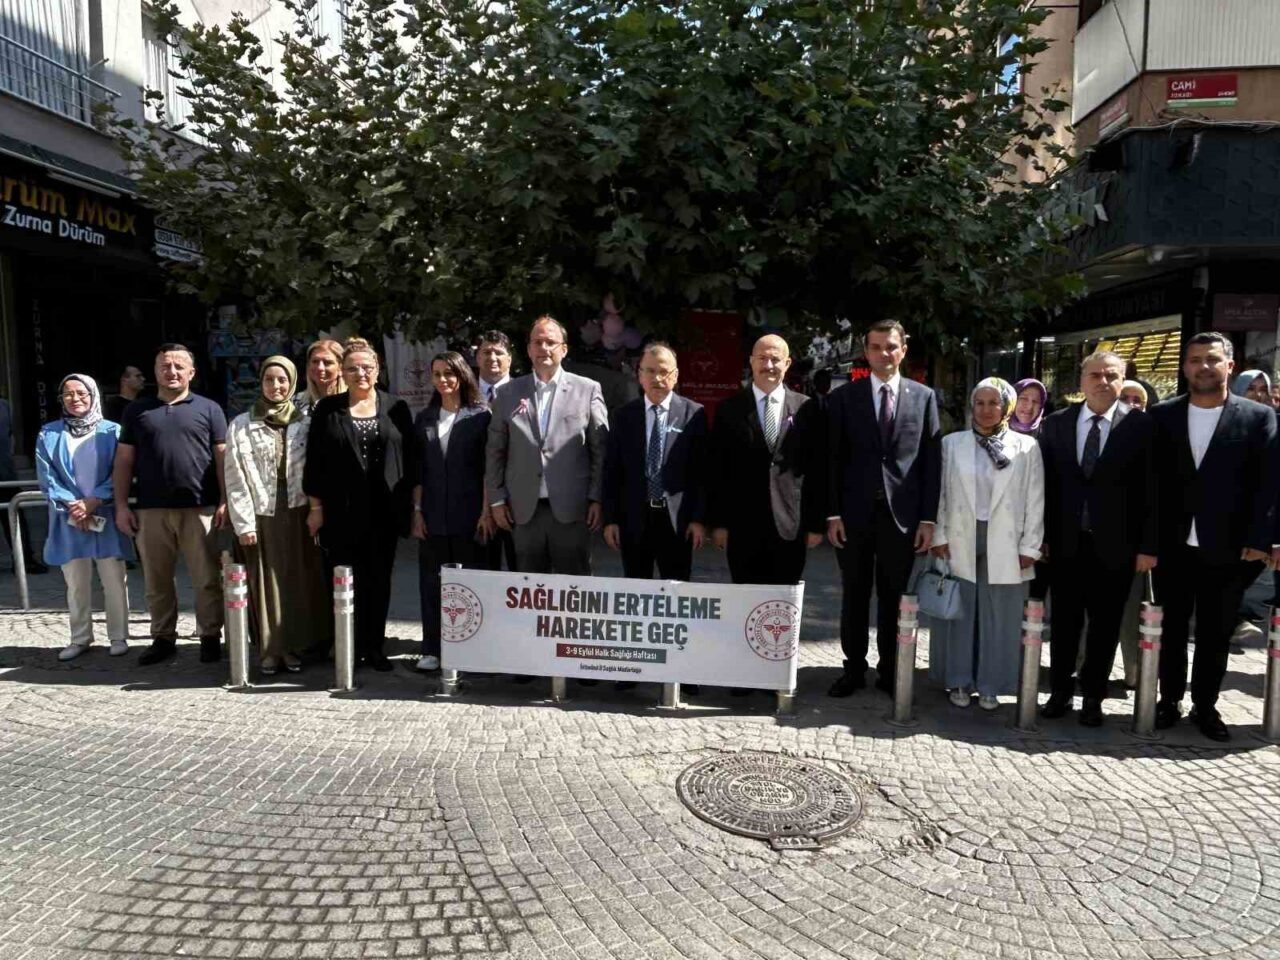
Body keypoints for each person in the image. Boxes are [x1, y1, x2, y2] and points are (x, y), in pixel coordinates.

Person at [1150, 332, 1276, 741]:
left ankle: (1206, 706)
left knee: (1215, 631)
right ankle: (1169, 700)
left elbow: (1268, 484)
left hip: (1229, 546)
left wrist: (1261, 538)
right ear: (1184, 367)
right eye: (1194, 360)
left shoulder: (1256, 418)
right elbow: (1148, 486)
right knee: (1169, 630)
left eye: (1212, 359)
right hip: (1171, 546)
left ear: (1229, 366)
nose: (1203, 367)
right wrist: (1146, 543)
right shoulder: (1162, 415)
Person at [1037, 351, 1158, 726]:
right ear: (1081, 380)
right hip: (1065, 543)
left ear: (1123, 380)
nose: (1102, 382)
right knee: (1065, 623)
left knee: (1105, 625)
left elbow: (1154, 491)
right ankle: (1059, 692)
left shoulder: (1142, 427)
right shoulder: (1057, 424)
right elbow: (1043, 487)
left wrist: (1148, 547)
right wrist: (1039, 537)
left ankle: (1093, 697)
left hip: (1117, 547)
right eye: (1095, 375)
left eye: (1111, 375)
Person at [826, 320, 942, 697]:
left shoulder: (924, 397)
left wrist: (928, 518)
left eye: (891, 346)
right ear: (867, 351)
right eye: (876, 347)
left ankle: (891, 671)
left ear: (903, 350)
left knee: (894, 597)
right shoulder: (844, 398)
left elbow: (930, 461)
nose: (884, 354)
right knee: (854, 595)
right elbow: (832, 460)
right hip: (854, 516)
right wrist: (833, 514)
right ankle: (853, 669)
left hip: (903, 518)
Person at [927, 378, 1043, 709]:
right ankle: (958, 680)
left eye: (994, 403)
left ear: (1006, 407)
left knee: (1000, 614)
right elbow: (941, 493)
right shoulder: (952, 443)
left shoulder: (1027, 446)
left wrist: (1030, 547)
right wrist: (939, 535)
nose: (986, 410)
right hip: (960, 535)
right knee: (959, 611)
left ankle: (992, 683)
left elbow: (1036, 498)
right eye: (980, 402)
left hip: (1007, 539)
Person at [304, 338, 416, 671]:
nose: (360, 374)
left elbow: (410, 461)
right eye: (352, 368)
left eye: (367, 367)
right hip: (341, 512)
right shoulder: (328, 409)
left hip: (384, 512)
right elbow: (315, 462)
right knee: (342, 580)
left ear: (378, 370)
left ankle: (374, 647)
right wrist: (315, 507)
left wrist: (412, 507)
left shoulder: (396, 407)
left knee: (378, 581)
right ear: (343, 372)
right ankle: (347, 645)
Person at [113, 345, 228, 665]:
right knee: (156, 579)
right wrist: (121, 505)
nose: (172, 371)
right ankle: (163, 637)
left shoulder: (209, 409)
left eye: (179, 366)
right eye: (165, 366)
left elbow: (222, 458)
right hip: (151, 510)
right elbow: (124, 460)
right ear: (156, 372)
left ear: (192, 372)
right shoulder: (137, 411)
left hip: (200, 508)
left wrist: (224, 500)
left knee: (206, 578)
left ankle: (209, 636)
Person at [224, 357, 326, 675]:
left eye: (282, 379)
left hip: (298, 512)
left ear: (292, 382)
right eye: (270, 379)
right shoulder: (241, 424)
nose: (276, 386)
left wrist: (315, 510)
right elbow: (234, 476)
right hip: (262, 514)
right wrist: (243, 523)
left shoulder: (305, 421)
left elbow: (316, 470)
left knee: (295, 581)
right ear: (261, 382)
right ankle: (270, 650)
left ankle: (293, 646)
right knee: (264, 582)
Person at [485, 316, 608, 576]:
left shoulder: (587, 390)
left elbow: (599, 450)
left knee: (573, 592)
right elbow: (495, 451)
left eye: (551, 342)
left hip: (572, 510)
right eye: (538, 342)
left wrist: (596, 497)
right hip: (524, 510)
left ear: (564, 349)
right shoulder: (508, 394)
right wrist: (496, 500)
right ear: (528, 349)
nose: (544, 348)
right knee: (529, 592)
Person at [707, 334, 824, 586]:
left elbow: (816, 469)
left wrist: (816, 524)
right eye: (762, 358)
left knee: (782, 609)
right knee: (745, 607)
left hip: (790, 527)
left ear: (788, 363)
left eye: (775, 359)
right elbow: (718, 470)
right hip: (742, 528)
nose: (768, 365)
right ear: (751, 361)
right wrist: (718, 524)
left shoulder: (807, 409)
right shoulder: (729, 409)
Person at [35, 374, 134, 660]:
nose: (75, 398)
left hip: (103, 515)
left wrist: (93, 500)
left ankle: (118, 636)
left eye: (81, 393)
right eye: (68, 394)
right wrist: (73, 505)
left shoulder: (112, 431)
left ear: (93, 395)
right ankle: (80, 637)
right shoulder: (49, 433)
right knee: (75, 582)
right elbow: (47, 475)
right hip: (69, 519)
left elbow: (121, 470)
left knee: (114, 579)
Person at [411, 352, 493, 672]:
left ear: (461, 376)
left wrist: (486, 511)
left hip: (470, 514)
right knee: (432, 583)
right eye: (437, 374)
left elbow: (488, 470)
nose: (443, 380)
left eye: (449, 373)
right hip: (432, 515)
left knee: (471, 583)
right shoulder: (425, 419)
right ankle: (432, 647)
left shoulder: (480, 416)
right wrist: (416, 512)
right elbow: (419, 472)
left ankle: (473, 647)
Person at [603, 342, 708, 581]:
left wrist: (698, 519)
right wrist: (611, 520)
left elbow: (701, 472)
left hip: (676, 522)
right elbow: (612, 472)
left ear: (676, 375)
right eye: (650, 371)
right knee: (636, 591)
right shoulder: (623, 416)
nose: (657, 378)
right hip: (634, 520)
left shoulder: (694, 414)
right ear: (640, 375)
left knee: (676, 591)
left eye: (664, 371)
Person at [474, 330, 517, 572]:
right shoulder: (463, 395)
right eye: (486, 352)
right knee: (482, 574)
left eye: (499, 352)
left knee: (519, 573)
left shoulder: (526, 393)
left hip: (517, 499)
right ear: (477, 358)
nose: (492, 357)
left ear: (509, 359)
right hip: (474, 500)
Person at [0, 394, 45, 575]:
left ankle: (25, 559)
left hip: (5, 473)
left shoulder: (4, 406)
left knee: (14, 517)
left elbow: (11, 437)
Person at [295, 339, 346, 416]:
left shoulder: (352, 402)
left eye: (327, 362)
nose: (320, 368)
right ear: (308, 365)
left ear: (341, 368)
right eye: (315, 361)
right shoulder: (295, 402)